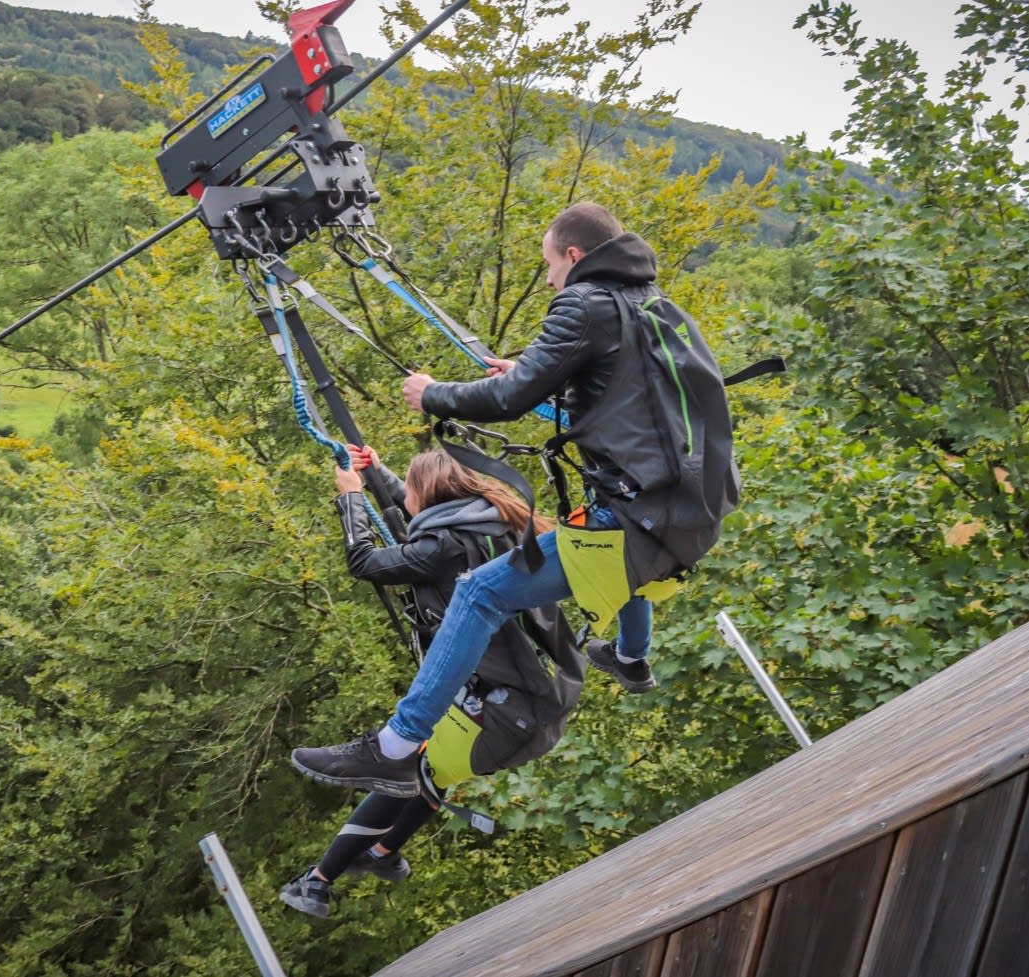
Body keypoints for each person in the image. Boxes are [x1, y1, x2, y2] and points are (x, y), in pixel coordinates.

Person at [291, 200, 739, 797]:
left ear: (574, 256)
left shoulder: (582, 302)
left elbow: (509, 401)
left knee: (481, 592)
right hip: (692, 511)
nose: (551, 278)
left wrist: (434, 394)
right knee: (616, 569)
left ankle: (395, 747)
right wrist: (535, 370)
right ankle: (633, 656)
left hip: (637, 520)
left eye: (551, 265)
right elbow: (624, 405)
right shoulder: (654, 306)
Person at [280, 445, 584, 918]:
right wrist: (378, 471)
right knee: (428, 764)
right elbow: (422, 510)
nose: (406, 497)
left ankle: (320, 881)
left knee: (407, 761)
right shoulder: (496, 526)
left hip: (504, 712)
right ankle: (378, 855)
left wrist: (352, 498)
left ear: (430, 493)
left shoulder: (440, 548)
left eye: (410, 486)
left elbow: (364, 561)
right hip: (536, 701)